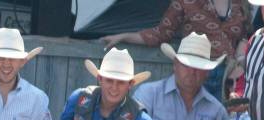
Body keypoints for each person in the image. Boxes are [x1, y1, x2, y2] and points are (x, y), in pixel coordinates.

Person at [99, 0, 249, 100]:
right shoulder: (185, 1)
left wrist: (239, 64)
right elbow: (161, 33)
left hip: (228, 76)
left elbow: (245, 35)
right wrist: (125, 36)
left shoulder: (240, 3)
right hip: (194, 71)